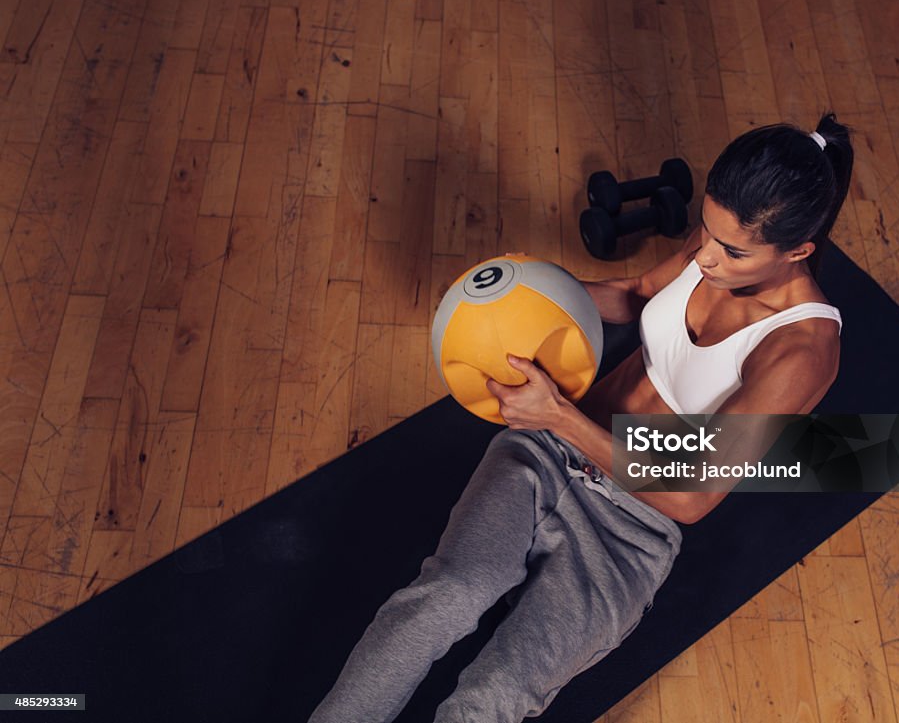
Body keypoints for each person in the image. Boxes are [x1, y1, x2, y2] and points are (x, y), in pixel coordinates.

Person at [308, 112, 855, 723]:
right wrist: (527, 291)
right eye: (705, 230)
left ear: (798, 251)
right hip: (545, 453)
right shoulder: (715, 251)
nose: (705, 258)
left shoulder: (803, 349)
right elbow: (638, 292)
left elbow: (693, 495)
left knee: (496, 695)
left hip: (631, 528)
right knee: (443, 598)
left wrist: (559, 415)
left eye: (731, 251)